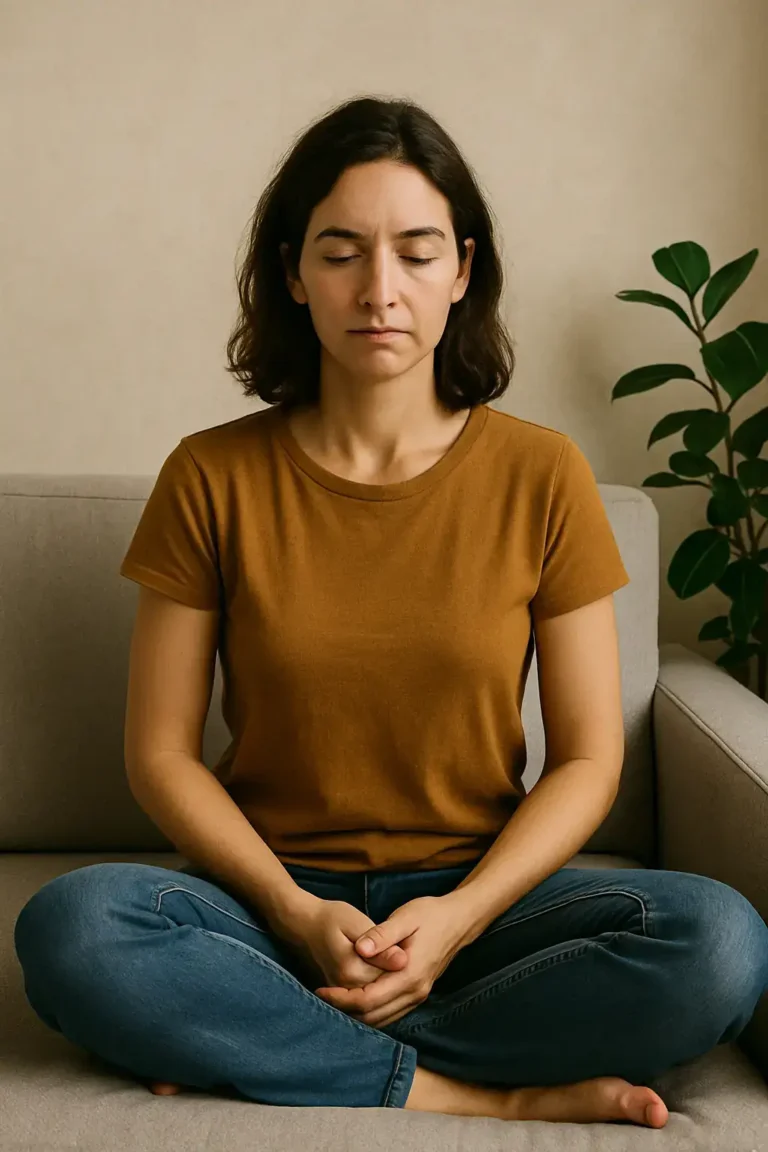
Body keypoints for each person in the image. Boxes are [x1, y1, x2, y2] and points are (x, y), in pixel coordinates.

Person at [13, 96, 768, 1130]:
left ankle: (270, 1045)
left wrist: (454, 922)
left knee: (722, 944)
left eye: (416, 253)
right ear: (293, 273)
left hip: (481, 906)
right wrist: (294, 909)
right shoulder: (210, 475)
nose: (380, 289)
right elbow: (161, 756)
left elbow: (591, 760)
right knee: (75, 930)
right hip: (268, 907)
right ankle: (470, 1094)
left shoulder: (543, 474)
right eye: (341, 252)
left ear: (463, 271)